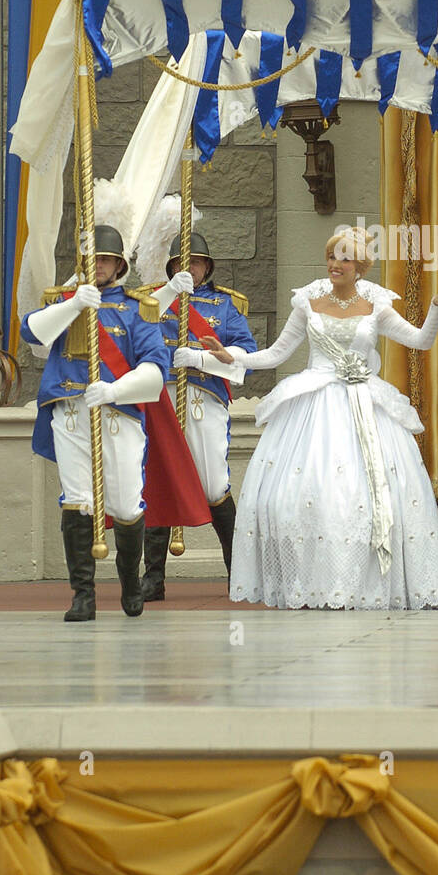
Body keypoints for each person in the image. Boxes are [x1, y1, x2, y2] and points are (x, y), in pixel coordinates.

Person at [185, 228, 438, 610]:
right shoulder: (308, 301)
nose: (335, 264)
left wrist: (435, 307)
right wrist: (232, 358)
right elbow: (277, 354)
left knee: (363, 498)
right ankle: (310, 582)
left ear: (360, 266)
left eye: (345, 258)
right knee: (306, 496)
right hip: (315, 407)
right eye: (332, 256)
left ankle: (365, 584)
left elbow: (421, 341)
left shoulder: (376, 304)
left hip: (366, 405)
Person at [19, 226, 168, 621]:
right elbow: (30, 333)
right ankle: (82, 594)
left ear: (118, 265)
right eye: (93, 258)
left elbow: (156, 370)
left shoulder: (139, 308)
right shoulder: (64, 301)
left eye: (106, 259)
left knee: (125, 504)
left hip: (117, 416)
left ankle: (132, 586)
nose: (99, 265)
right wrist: (72, 306)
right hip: (71, 415)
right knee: (77, 501)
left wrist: (115, 391)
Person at [141, 232, 257, 600]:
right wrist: (170, 293)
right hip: (161, 400)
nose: (188, 268)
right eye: (181, 262)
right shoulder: (154, 299)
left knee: (213, 486)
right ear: (171, 266)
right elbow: (134, 333)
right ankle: (153, 579)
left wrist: (201, 358)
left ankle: (238, 573)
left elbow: (246, 356)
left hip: (202, 400)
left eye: (195, 262)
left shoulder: (224, 306)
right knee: (158, 482)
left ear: (207, 266)